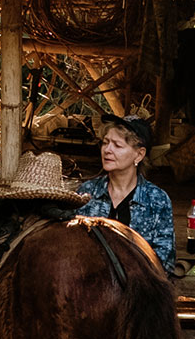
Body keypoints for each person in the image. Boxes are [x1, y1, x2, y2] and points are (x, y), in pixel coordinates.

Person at [74, 115, 174, 268]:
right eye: (105, 143)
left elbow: (164, 261)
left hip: (138, 287)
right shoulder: (87, 192)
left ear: (139, 154)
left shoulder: (156, 200)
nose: (107, 150)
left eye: (117, 146)